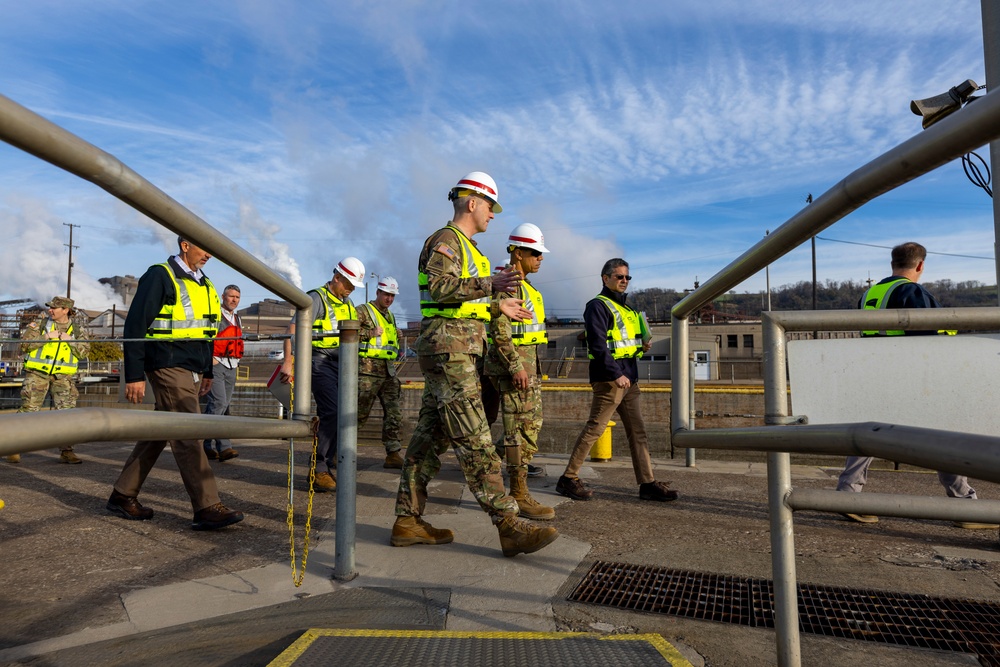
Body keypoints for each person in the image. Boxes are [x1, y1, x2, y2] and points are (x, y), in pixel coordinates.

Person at [390, 171, 559, 557]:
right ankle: (507, 524)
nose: (493, 215)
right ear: (472, 203)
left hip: (459, 350)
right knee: (476, 440)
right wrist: (490, 287)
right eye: (490, 207)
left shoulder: (469, 248)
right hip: (450, 352)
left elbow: (461, 302)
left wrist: (496, 305)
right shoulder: (447, 240)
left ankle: (407, 520)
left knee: (428, 442)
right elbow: (440, 289)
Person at [836, 241, 995, 529]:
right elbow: (930, 335)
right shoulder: (912, 292)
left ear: (892, 264)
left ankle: (848, 495)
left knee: (868, 433)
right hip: (913, 375)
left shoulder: (870, 293)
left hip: (878, 372)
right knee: (943, 435)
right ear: (920, 265)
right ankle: (964, 505)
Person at [107, 236, 244, 531]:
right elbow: (135, 325)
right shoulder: (160, 275)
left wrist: (207, 371)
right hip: (167, 363)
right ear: (184, 245)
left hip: (193, 367)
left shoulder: (205, 284)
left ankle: (122, 494)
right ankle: (207, 506)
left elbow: (208, 333)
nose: (209, 252)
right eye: (203, 246)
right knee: (188, 432)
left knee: (160, 431)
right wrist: (134, 375)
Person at [556, 258, 678, 503]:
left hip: (629, 379)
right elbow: (598, 345)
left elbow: (625, 346)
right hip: (611, 379)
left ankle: (647, 483)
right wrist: (616, 374)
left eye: (627, 277)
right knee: (595, 428)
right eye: (619, 277)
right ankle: (568, 478)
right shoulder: (597, 306)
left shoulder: (629, 310)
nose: (624, 281)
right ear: (605, 278)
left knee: (638, 432)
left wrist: (642, 346)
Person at [279, 257, 372, 493]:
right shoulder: (316, 299)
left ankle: (328, 463)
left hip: (342, 364)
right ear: (337, 277)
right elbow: (293, 329)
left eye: (353, 286)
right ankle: (319, 468)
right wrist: (288, 361)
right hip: (319, 361)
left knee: (345, 414)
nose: (350, 290)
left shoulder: (348, 304)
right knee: (332, 411)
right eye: (348, 284)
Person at [484, 223, 554, 520]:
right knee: (517, 432)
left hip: (527, 367)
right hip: (515, 370)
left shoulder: (526, 286)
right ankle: (518, 492)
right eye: (535, 252)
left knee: (529, 428)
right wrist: (514, 366)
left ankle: (491, 466)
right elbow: (500, 330)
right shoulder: (509, 284)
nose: (540, 258)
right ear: (518, 252)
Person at [7, 296, 91, 464]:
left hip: (63, 377)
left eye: (54, 308)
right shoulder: (40, 324)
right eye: (50, 307)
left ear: (66, 310)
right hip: (37, 374)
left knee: (67, 414)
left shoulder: (77, 329)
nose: (50, 310)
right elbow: (24, 346)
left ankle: (67, 451)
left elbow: (84, 353)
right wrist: (46, 337)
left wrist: (72, 341)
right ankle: (13, 448)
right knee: (29, 411)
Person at [356, 276, 405, 469]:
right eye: (386, 294)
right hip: (366, 372)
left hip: (388, 372)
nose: (389, 299)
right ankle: (337, 452)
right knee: (357, 415)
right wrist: (369, 333)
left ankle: (393, 454)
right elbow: (344, 333)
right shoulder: (362, 311)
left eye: (392, 296)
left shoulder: (390, 316)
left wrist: (397, 335)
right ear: (377, 292)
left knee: (394, 415)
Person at [203, 284, 243, 462]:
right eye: (231, 296)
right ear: (223, 297)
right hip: (217, 364)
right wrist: (209, 359)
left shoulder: (238, 318)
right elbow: (205, 337)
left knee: (222, 405)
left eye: (237, 297)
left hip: (232, 365)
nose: (234, 300)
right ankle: (224, 447)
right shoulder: (214, 315)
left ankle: (204, 445)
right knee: (219, 402)